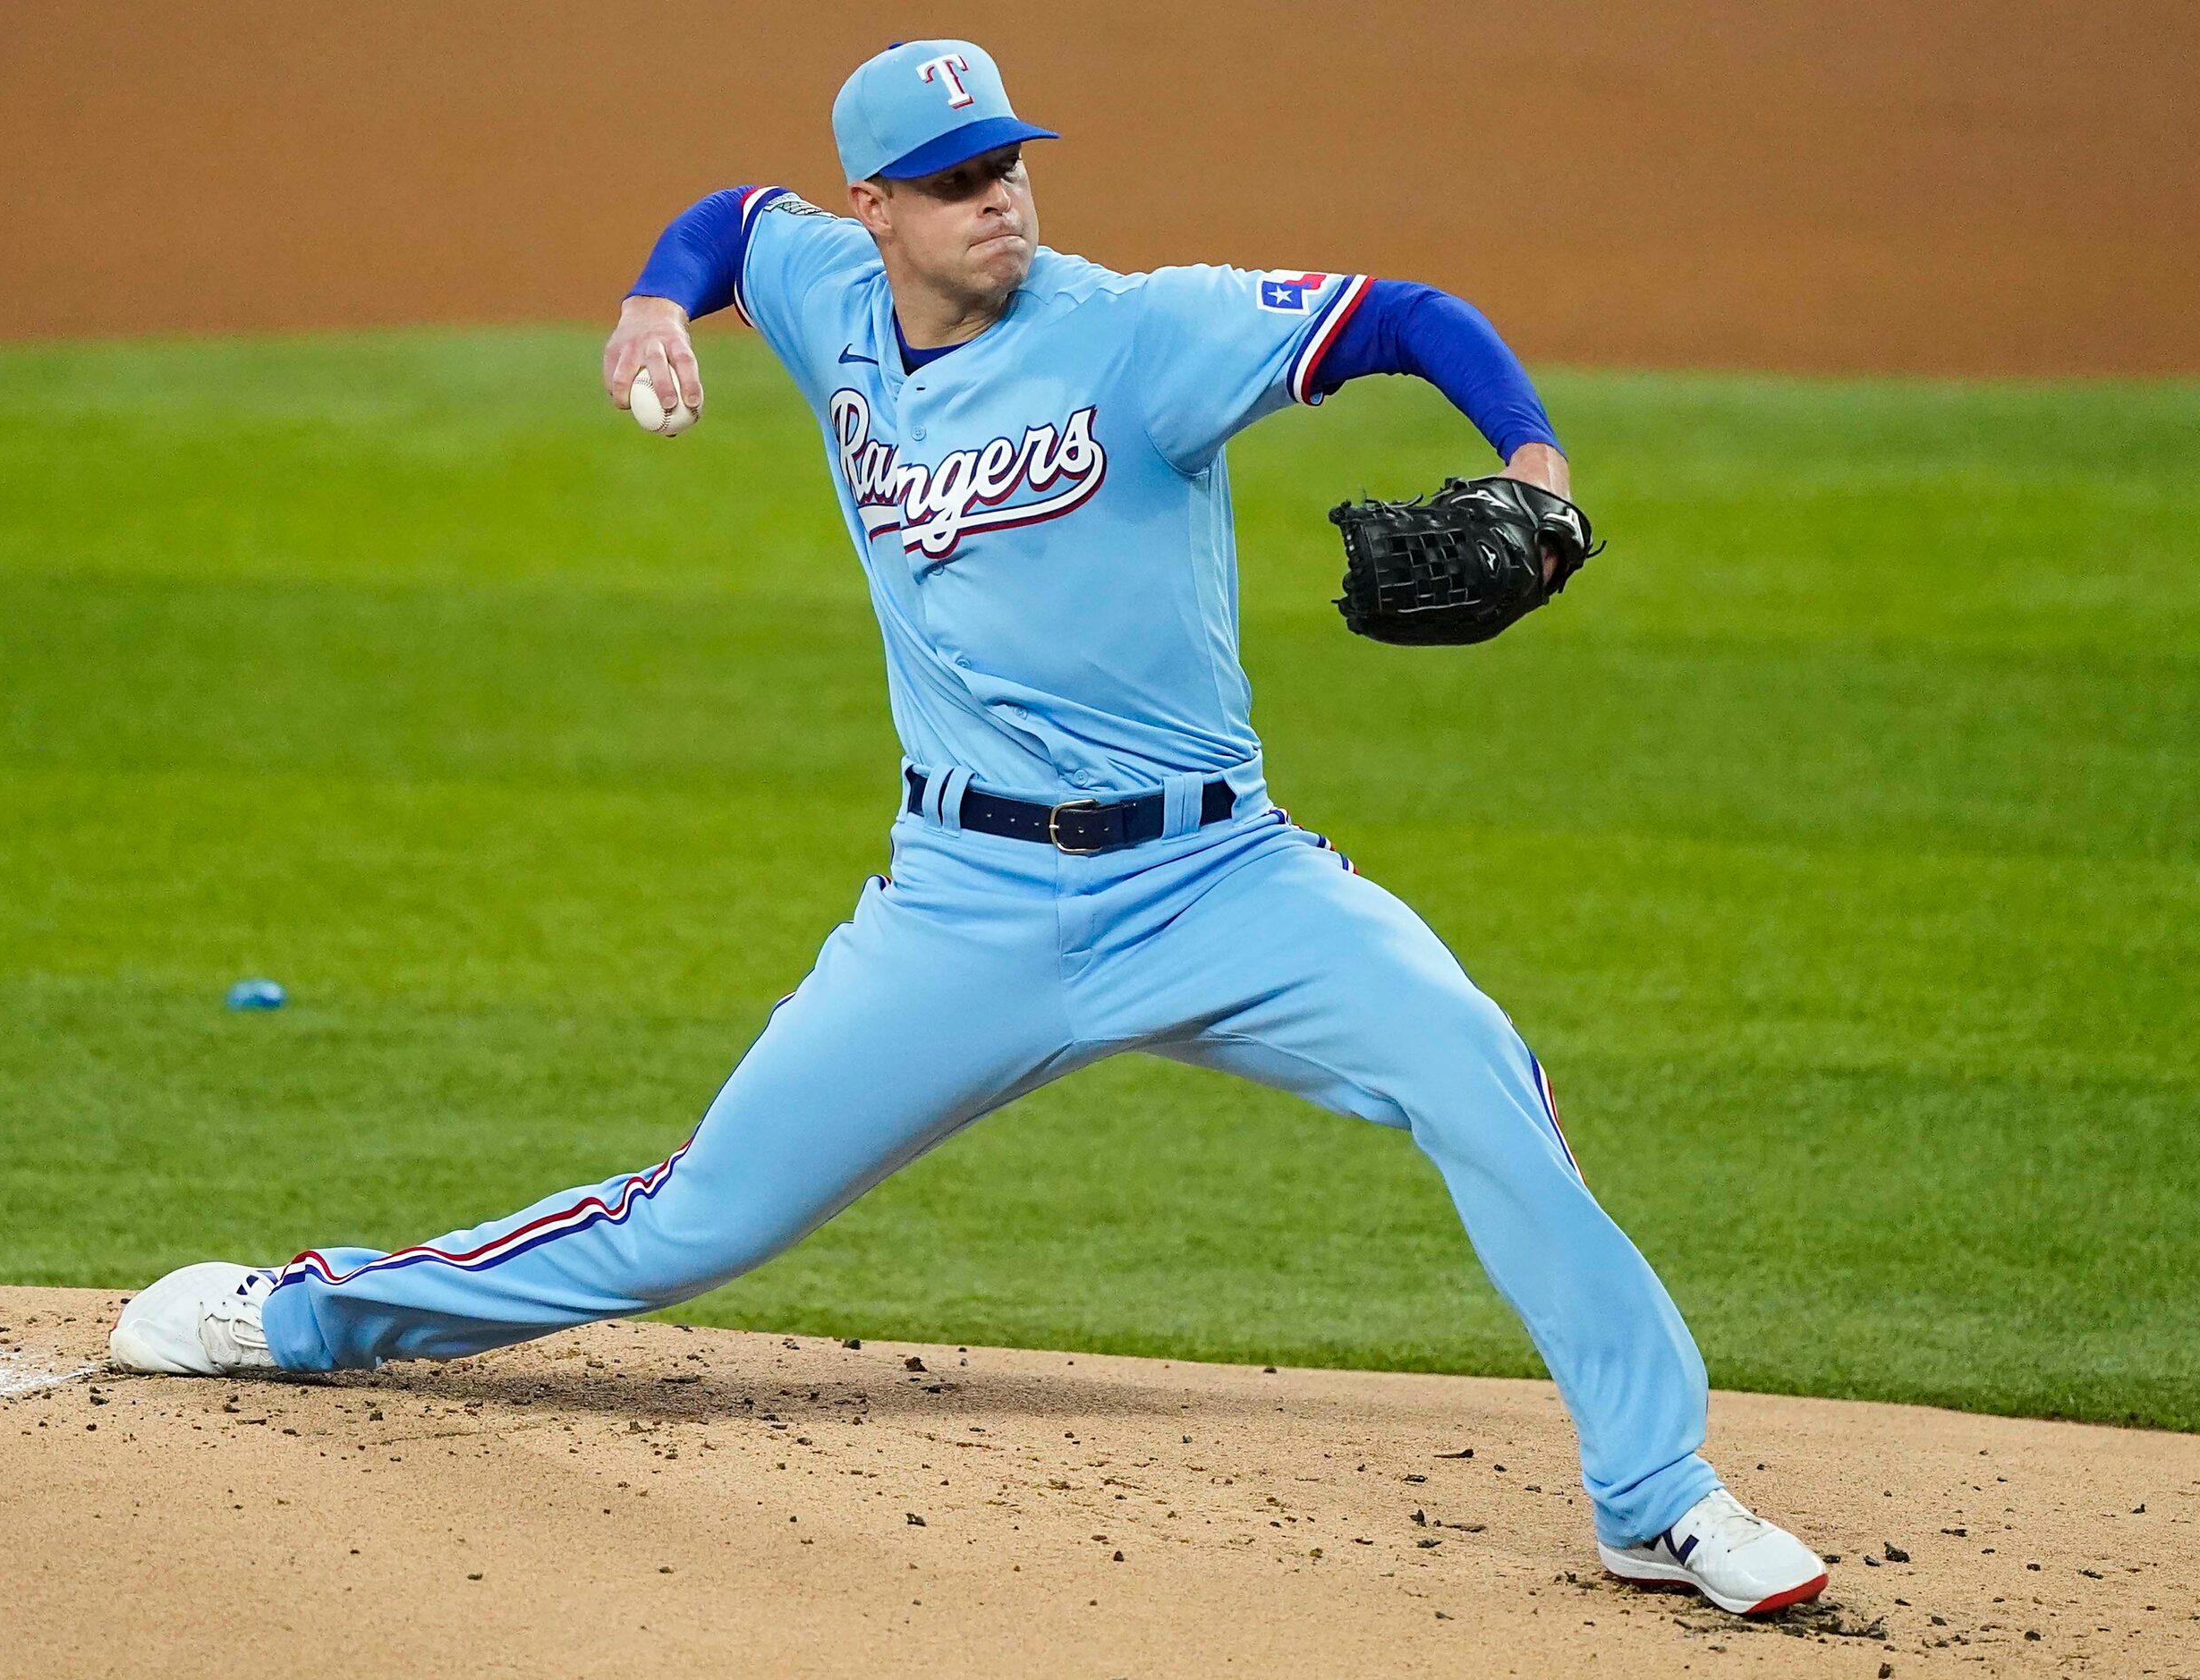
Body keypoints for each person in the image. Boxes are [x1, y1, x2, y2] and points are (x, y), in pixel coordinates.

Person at [111, 38, 1827, 1617]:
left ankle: (1653, 1492)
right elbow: (727, 219)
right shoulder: (823, 294)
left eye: (1006, 161)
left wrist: (1532, 465)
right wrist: (650, 304)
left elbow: (1404, 313)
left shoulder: (1143, 332)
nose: (995, 194)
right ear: (875, 213)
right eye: (950, 177)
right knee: (695, 1220)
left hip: (1216, 875)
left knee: (1474, 1070)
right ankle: (304, 1312)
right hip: (965, 906)